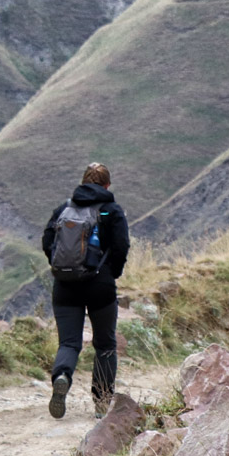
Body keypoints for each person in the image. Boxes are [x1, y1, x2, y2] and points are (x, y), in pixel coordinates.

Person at [40, 162, 129, 418]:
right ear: (107, 185)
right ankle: (102, 402)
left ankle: (63, 377)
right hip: (100, 285)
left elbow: (48, 241)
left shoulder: (64, 208)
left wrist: (61, 268)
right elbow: (122, 246)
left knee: (69, 342)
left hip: (65, 286)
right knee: (105, 344)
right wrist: (112, 272)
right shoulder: (111, 211)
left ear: (83, 182)